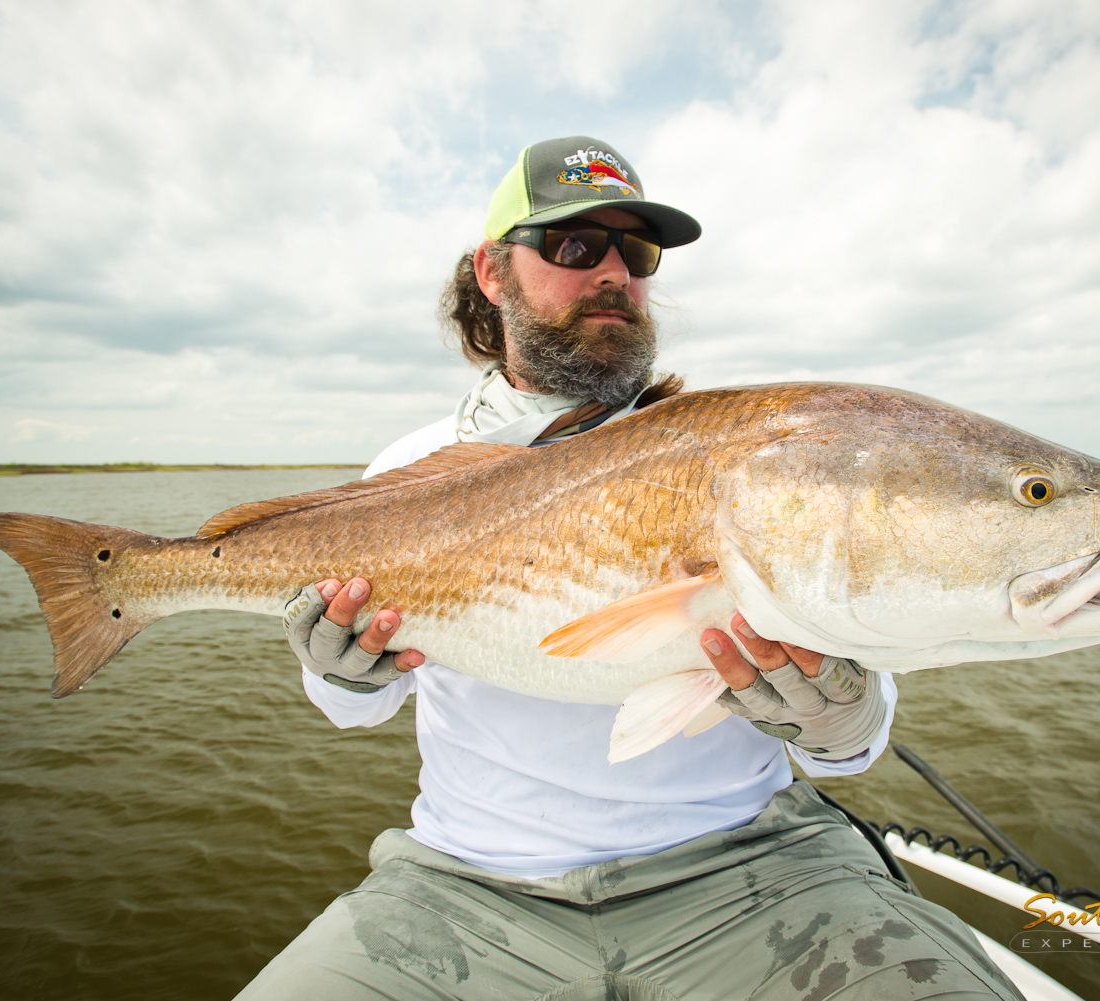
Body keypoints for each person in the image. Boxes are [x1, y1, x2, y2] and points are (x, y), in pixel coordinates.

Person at [237, 137, 1024, 1000]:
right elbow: (362, 706)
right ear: (492, 274)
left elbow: (853, 745)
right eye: (574, 246)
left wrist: (843, 715)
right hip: (467, 884)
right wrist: (341, 669)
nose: (613, 272)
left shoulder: (733, 448)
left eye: (636, 252)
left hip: (757, 868)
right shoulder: (413, 465)